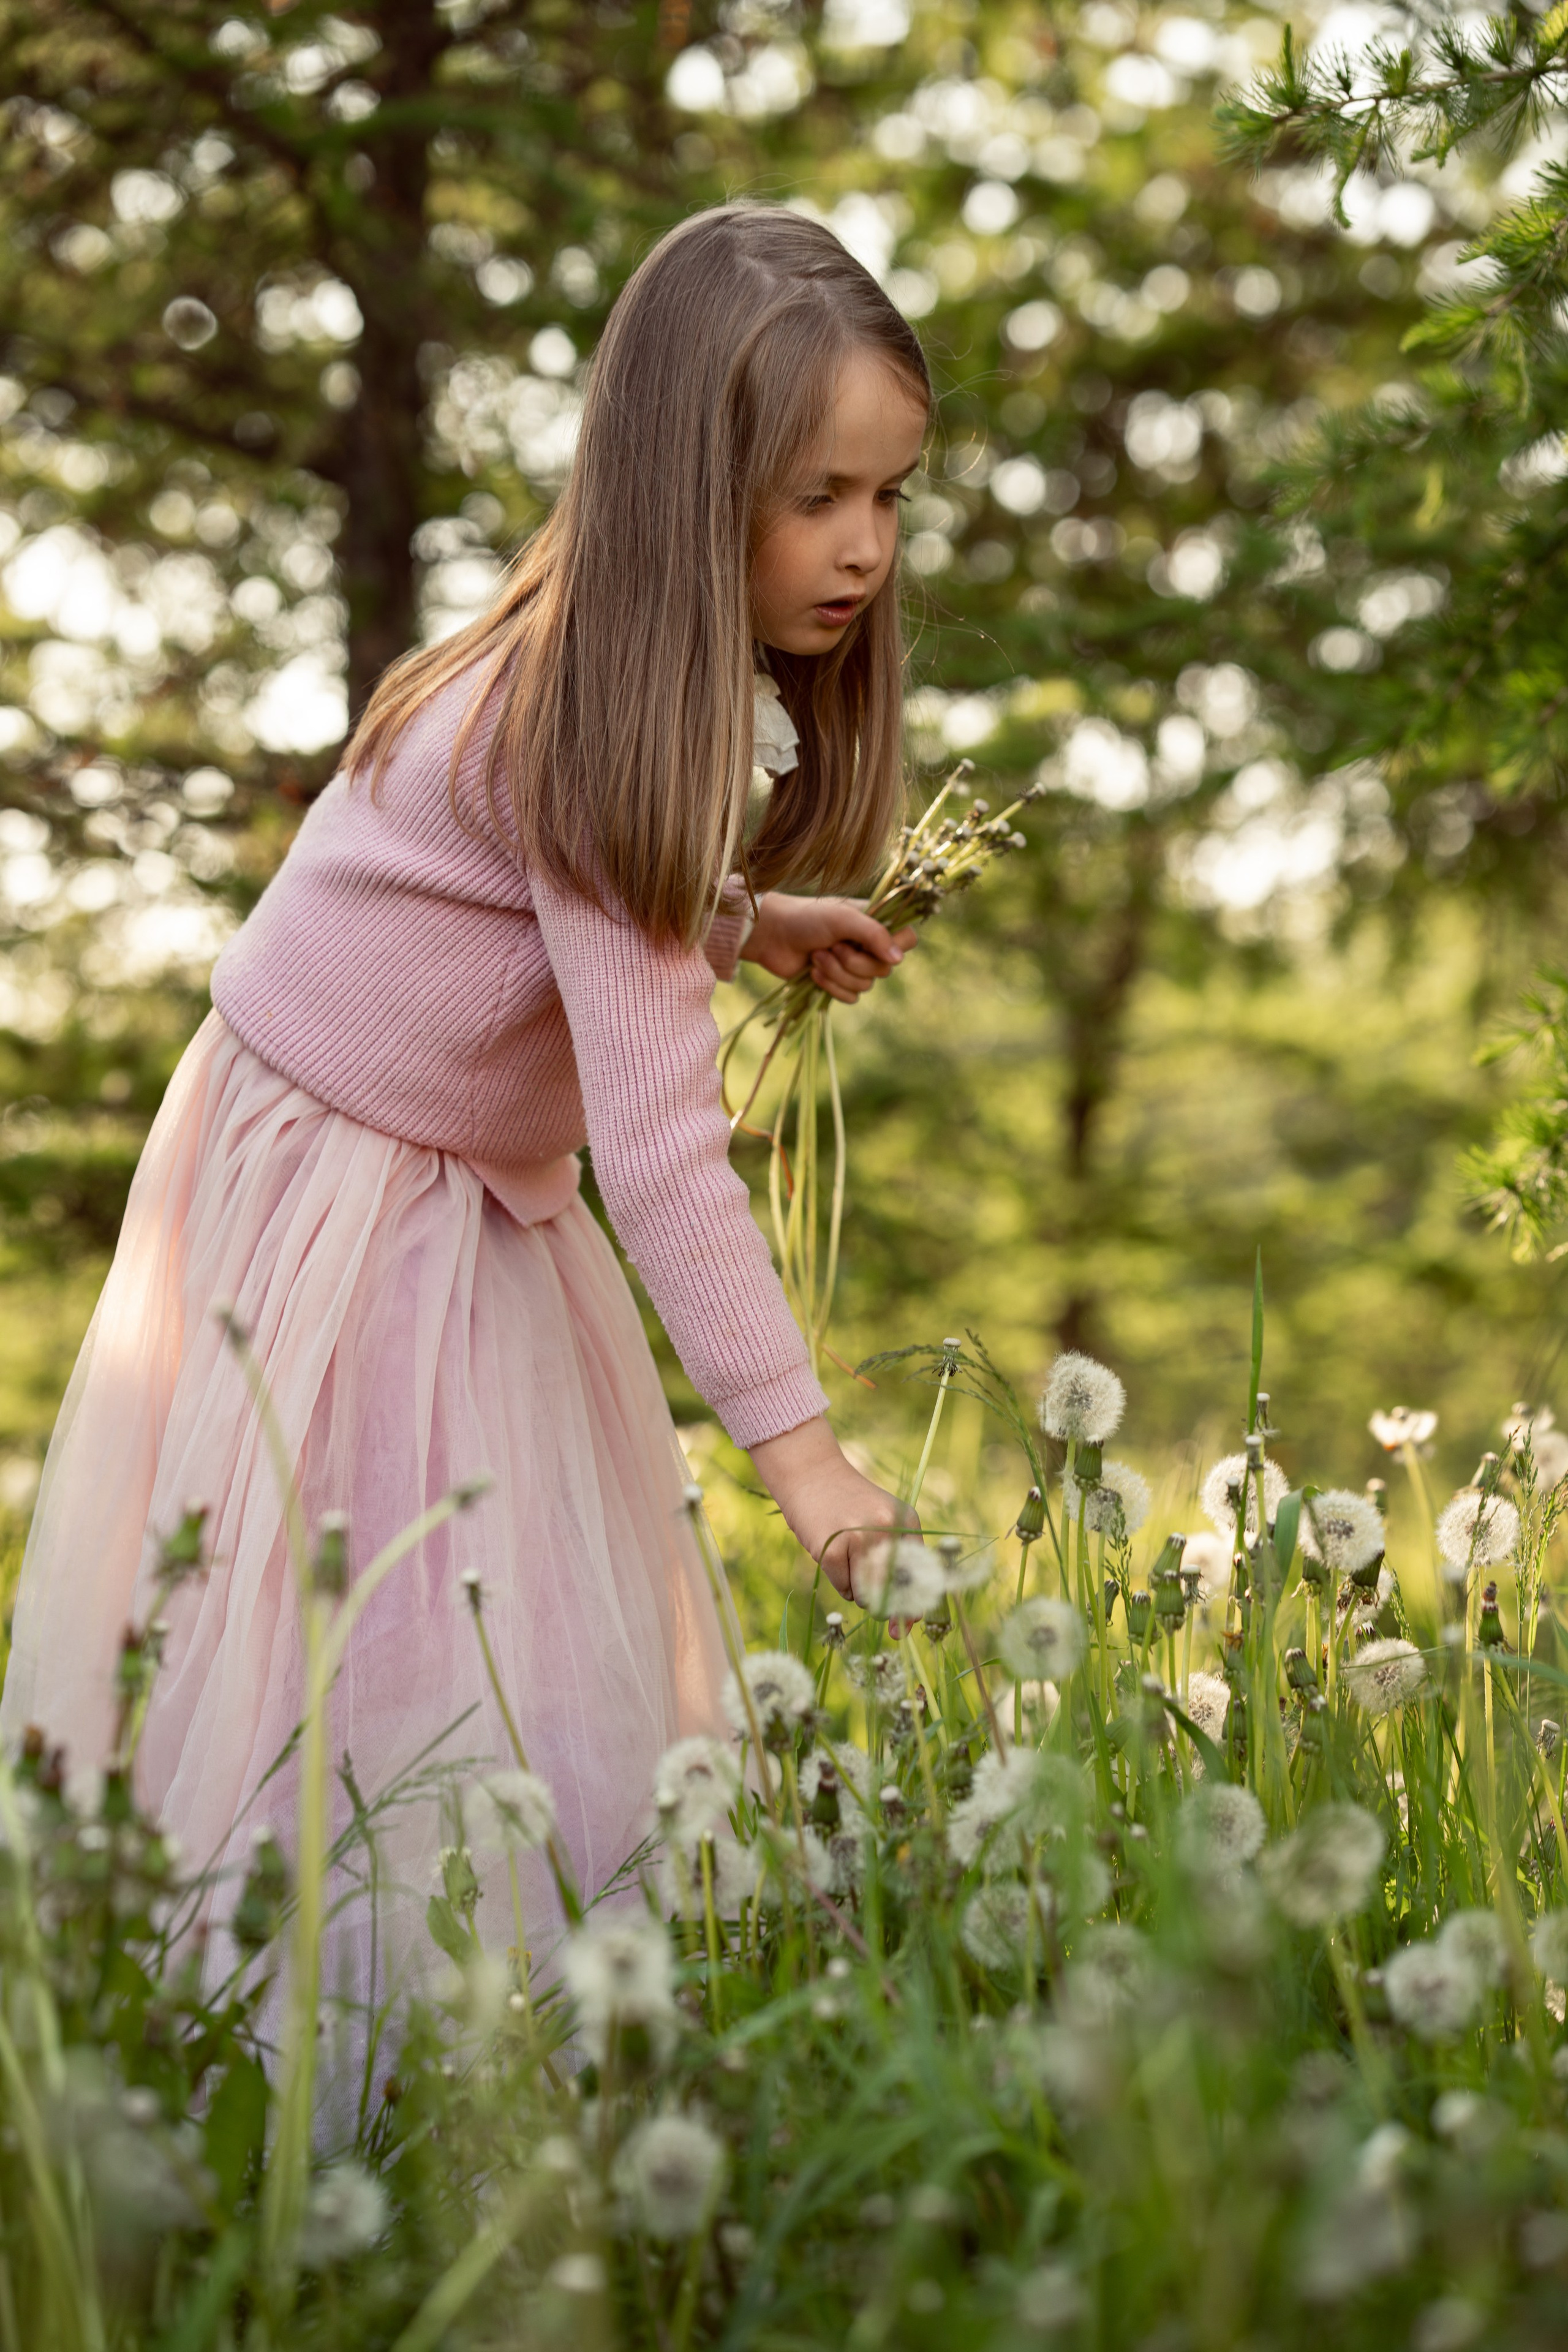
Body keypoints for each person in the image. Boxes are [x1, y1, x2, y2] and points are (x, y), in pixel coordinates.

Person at [1, 203, 929, 2003]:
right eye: (819, 496)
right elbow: (660, 1151)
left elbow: (552, 915)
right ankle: (308, 2047)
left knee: (491, 1608)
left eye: (892, 499)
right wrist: (805, 1460)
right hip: (340, 1191)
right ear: (689, 482)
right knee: (372, 1631)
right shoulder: (579, 719)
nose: (864, 549)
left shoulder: (606, 688)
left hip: (449, 1177)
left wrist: (741, 920)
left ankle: (507, 2025)